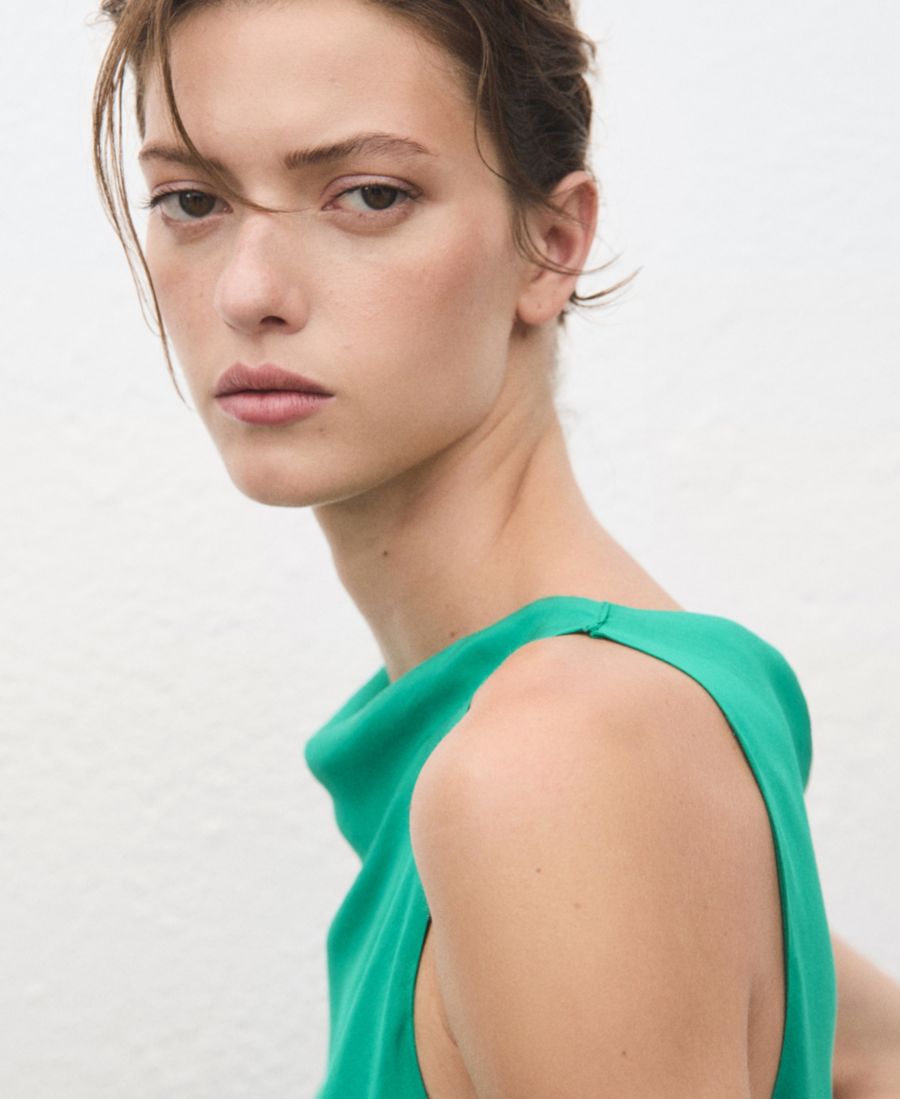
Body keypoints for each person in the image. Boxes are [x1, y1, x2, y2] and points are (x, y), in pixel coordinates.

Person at [90, 1, 900, 1096]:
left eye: (369, 194)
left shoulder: (556, 764)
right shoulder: (603, 723)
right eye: (193, 200)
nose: (249, 292)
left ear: (551, 243)